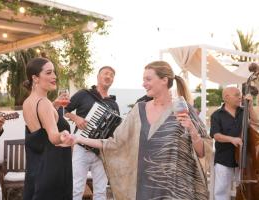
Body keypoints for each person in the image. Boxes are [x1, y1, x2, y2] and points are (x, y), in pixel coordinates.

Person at [74, 61, 212, 200]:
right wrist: (78, 139)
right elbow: (114, 143)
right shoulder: (138, 110)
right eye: (143, 79)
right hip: (143, 189)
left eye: (148, 79)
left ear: (164, 80)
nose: (144, 84)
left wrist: (192, 130)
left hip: (176, 191)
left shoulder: (182, 108)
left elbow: (203, 152)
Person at [22, 57, 74, 200]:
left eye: (54, 72)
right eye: (49, 73)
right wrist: (63, 135)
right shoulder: (44, 103)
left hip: (36, 168)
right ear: (35, 78)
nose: (54, 76)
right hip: (53, 169)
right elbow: (53, 137)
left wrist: (54, 105)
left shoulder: (28, 102)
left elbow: (41, 129)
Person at [64, 66, 120, 200]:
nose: (108, 77)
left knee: (101, 191)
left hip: (101, 151)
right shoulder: (84, 94)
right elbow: (63, 110)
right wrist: (75, 118)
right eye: (106, 73)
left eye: (112, 75)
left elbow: (115, 129)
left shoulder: (113, 104)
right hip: (81, 147)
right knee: (76, 188)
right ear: (98, 76)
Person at [210, 87, 258, 200]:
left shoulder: (244, 111)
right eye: (237, 95)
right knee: (221, 192)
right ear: (226, 97)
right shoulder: (216, 115)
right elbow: (216, 135)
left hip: (244, 159)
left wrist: (250, 106)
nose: (240, 97)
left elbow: (256, 122)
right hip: (224, 159)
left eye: (240, 94)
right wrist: (232, 139)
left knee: (244, 190)